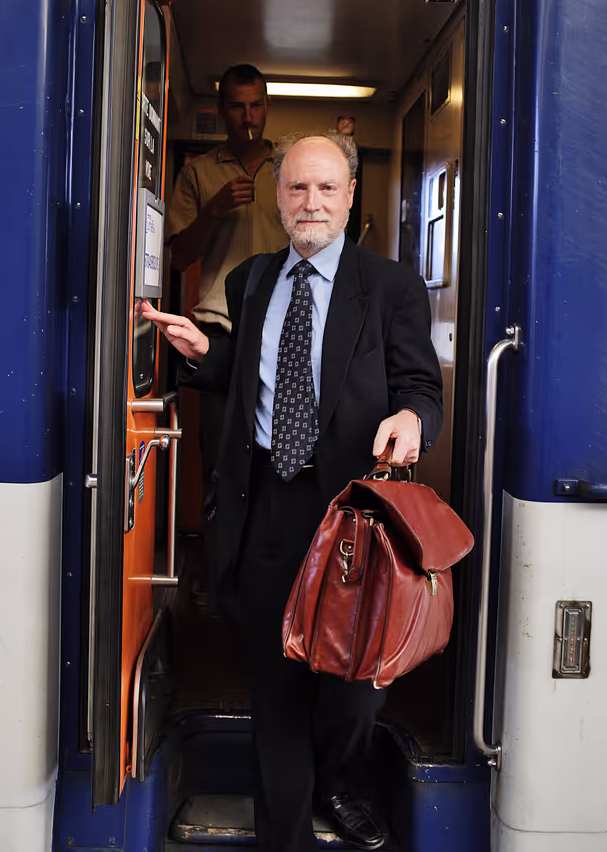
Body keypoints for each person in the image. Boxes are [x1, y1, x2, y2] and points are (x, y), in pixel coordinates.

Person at [144, 131, 442, 852]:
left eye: (325, 188)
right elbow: (245, 376)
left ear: (348, 198)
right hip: (264, 508)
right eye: (297, 188)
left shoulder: (390, 286)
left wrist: (410, 419)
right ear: (278, 197)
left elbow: (421, 389)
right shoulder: (250, 280)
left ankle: (341, 781)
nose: (311, 202)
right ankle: (284, 836)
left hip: (354, 517)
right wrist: (201, 354)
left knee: (351, 688)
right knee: (274, 687)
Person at [167, 64, 288, 487]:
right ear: (222, 110)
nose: (248, 117)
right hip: (219, 335)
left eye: (256, 106)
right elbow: (178, 258)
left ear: (267, 107)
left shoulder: (289, 173)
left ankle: (265, 555)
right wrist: (214, 209)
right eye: (238, 107)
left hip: (284, 331)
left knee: (281, 460)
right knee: (219, 463)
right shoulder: (198, 172)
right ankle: (217, 555)